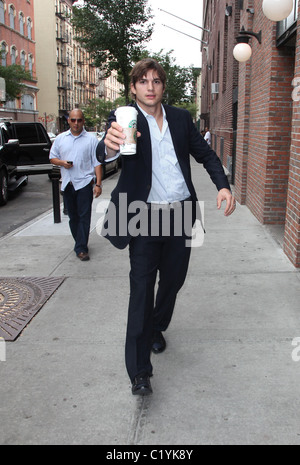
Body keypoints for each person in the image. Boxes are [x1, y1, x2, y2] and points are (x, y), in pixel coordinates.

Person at [99, 58, 236, 396]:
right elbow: (106, 150)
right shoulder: (123, 119)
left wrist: (222, 185)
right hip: (140, 215)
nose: (150, 87)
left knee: (174, 281)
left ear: (163, 86)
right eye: (143, 81)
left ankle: (157, 327)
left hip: (180, 213)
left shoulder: (179, 118)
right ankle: (139, 373)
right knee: (142, 291)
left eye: (156, 81)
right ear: (133, 87)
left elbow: (205, 154)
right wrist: (108, 144)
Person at [50, 109, 102, 261]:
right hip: (68, 183)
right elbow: (52, 157)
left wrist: (98, 184)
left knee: (84, 217)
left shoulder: (91, 139)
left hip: (85, 183)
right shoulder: (60, 139)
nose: (76, 123)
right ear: (68, 121)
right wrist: (62, 163)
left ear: (83, 121)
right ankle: (80, 241)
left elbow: (97, 163)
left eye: (79, 120)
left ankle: (81, 248)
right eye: (73, 120)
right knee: (73, 217)